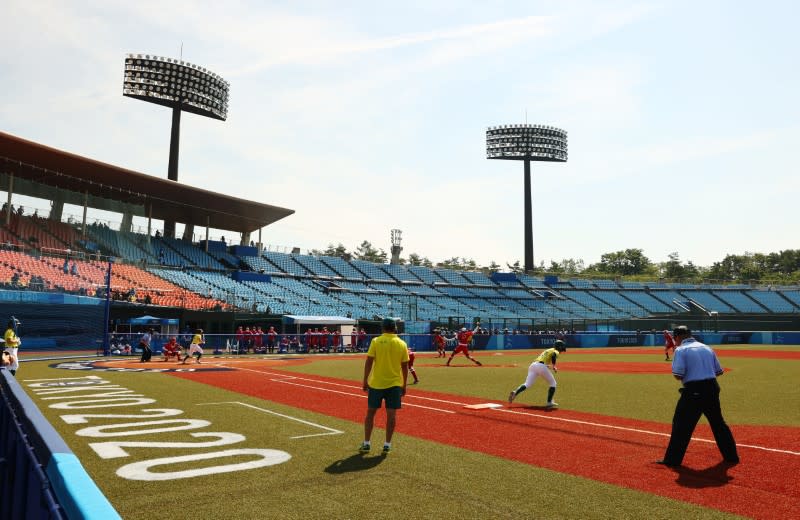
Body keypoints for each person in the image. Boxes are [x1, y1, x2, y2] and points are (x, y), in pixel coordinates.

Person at [658, 326, 739, 467]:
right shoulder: (707, 347)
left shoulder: (681, 350)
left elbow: (678, 375)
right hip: (712, 388)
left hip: (694, 390)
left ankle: (672, 460)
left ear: (677, 337)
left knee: (681, 425)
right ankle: (731, 456)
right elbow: (719, 371)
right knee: (718, 424)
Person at [359, 318, 409, 455]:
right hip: (394, 385)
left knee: (370, 414)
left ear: (383, 328)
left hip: (376, 384)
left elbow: (369, 362)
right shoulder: (402, 343)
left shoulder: (376, 341)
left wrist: (365, 380)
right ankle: (387, 444)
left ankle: (367, 443)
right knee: (391, 415)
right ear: (394, 328)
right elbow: (405, 367)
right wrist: (404, 385)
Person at [508, 339, 567, 408]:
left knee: (527, 384)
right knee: (553, 383)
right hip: (541, 366)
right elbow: (553, 355)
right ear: (559, 347)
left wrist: (548, 366)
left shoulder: (548, 350)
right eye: (562, 346)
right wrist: (554, 366)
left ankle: (515, 392)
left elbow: (543, 360)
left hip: (533, 365)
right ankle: (549, 402)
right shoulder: (555, 351)